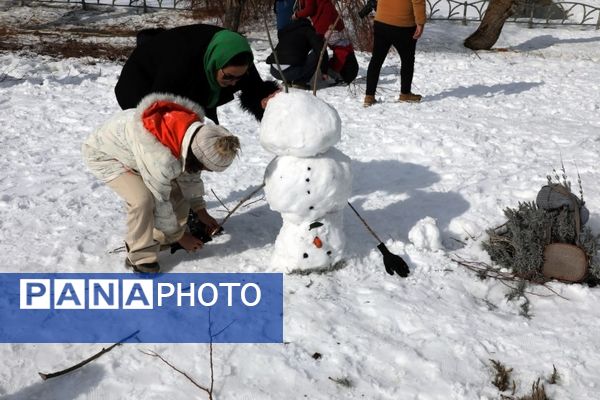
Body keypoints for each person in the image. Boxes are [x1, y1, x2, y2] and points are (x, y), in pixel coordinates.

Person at [82, 93, 240, 273]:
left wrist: (200, 210)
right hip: (105, 155)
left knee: (176, 188)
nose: (206, 171)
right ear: (196, 158)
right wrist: (181, 237)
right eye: (206, 168)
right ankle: (140, 255)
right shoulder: (160, 157)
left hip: (137, 153)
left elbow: (189, 176)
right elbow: (160, 200)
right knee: (142, 199)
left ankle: (162, 238)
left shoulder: (194, 138)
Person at [115, 24, 279, 124]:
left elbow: (256, 89)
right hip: (138, 84)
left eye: (239, 77)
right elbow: (159, 110)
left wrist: (264, 100)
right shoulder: (180, 66)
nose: (234, 83)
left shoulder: (238, 57)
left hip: (185, 67)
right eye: (228, 77)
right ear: (215, 65)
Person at [363, 0, 426, 107]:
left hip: (381, 21)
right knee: (407, 60)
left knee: (376, 60)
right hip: (403, 24)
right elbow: (418, 1)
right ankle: (405, 93)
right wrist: (420, 22)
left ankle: (369, 96)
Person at [293, 0, 358, 84]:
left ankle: (340, 73)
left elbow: (310, 9)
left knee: (334, 49)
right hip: (330, 21)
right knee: (340, 46)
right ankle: (342, 72)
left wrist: (297, 15)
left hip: (326, 24)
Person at [266, 18, 329, 89]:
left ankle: (287, 81)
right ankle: (300, 82)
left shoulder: (286, 31)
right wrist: (324, 71)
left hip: (274, 71)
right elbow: (321, 50)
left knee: (290, 54)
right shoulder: (307, 30)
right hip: (290, 72)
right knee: (316, 54)